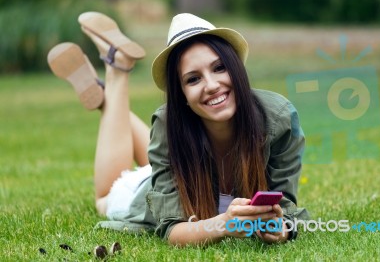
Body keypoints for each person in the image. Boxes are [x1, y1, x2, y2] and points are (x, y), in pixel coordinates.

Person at [48, 12, 309, 247]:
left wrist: (282, 228)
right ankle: (117, 71)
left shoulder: (278, 119)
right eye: (193, 79)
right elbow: (172, 230)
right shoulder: (167, 124)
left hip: (173, 166)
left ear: (237, 68)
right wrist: (224, 224)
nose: (211, 85)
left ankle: (108, 97)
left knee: (160, 146)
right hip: (153, 187)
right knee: (104, 198)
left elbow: (286, 206)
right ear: (181, 93)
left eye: (220, 67)